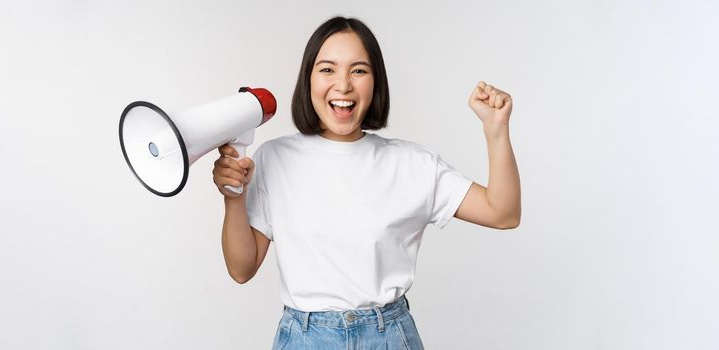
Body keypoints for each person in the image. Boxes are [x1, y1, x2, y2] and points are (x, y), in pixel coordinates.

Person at [212, 16, 520, 350]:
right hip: (304, 338)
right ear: (308, 79)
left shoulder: (412, 164)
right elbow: (241, 269)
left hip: (389, 337)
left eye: (358, 70)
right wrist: (234, 197)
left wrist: (496, 128)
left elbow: (502, 212)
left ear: (376, 83)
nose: (343, 85)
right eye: (327, 69)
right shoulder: (275, 158)